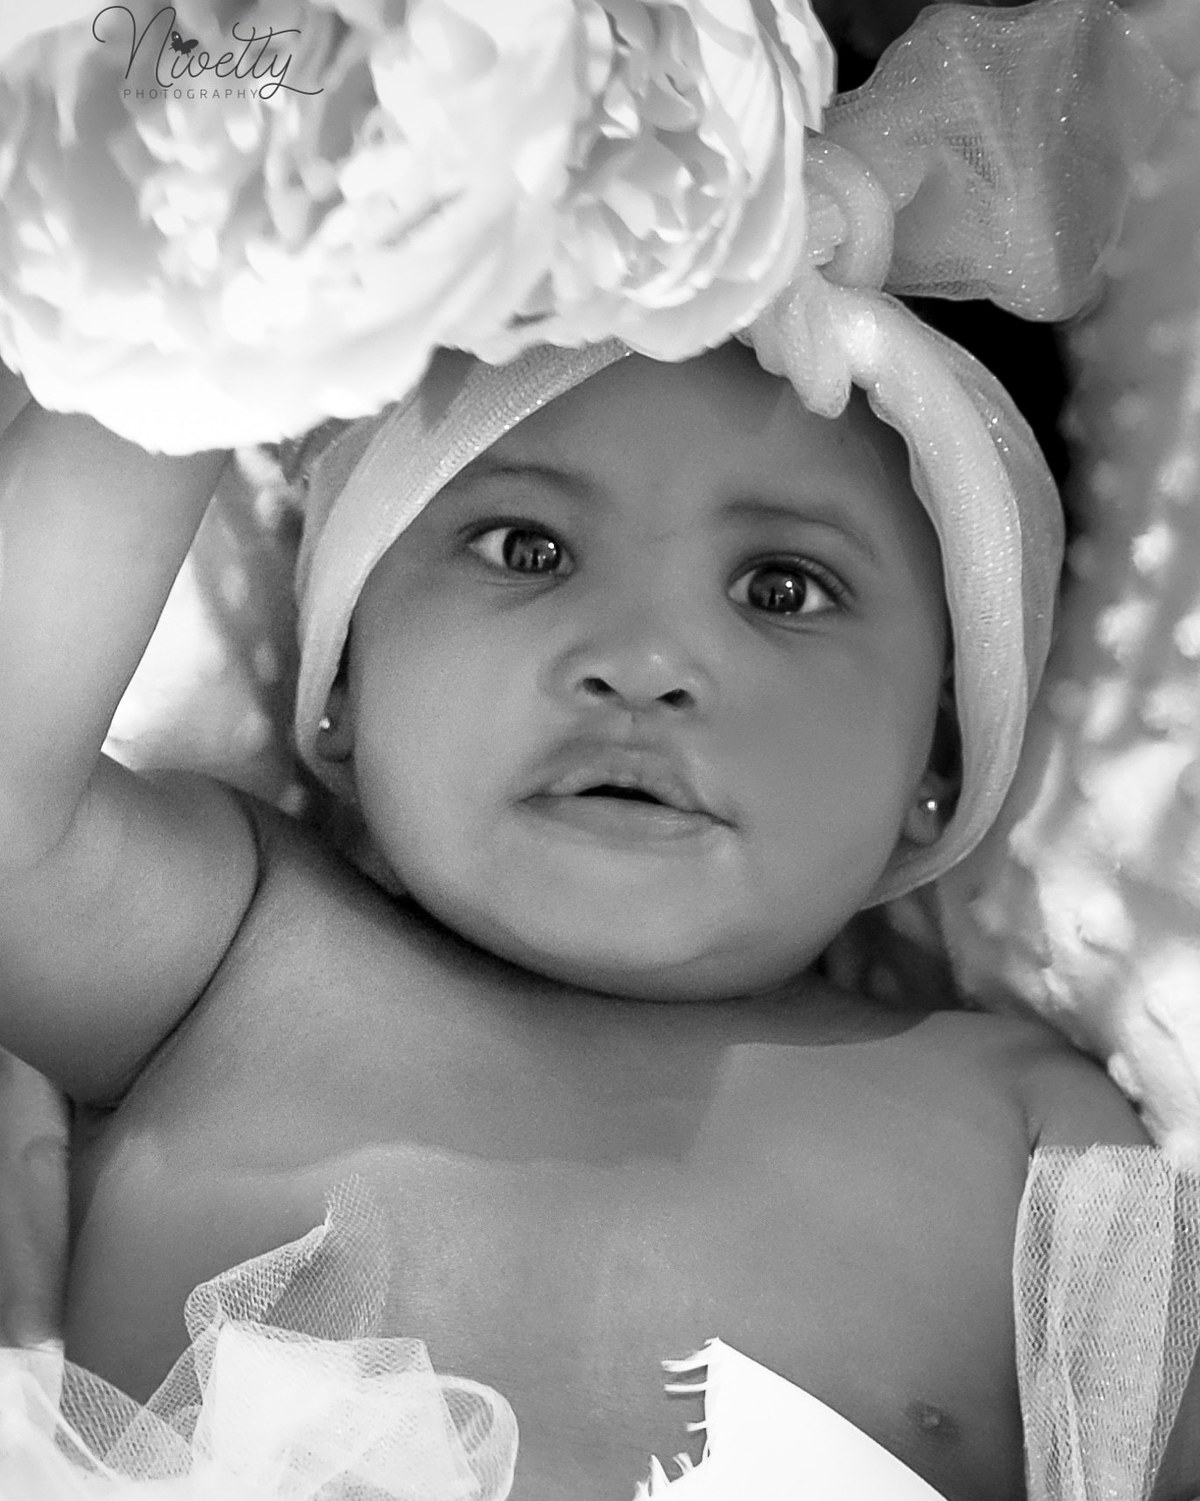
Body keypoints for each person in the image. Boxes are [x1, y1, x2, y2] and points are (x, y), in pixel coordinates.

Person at [0, 5, 1195, 1500]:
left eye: (784, 588)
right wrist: (221, 274)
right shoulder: (228, 953)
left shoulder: (1026, 1125)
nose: (641, 657)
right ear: (344, 674)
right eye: (526, 546)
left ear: (937, 760)